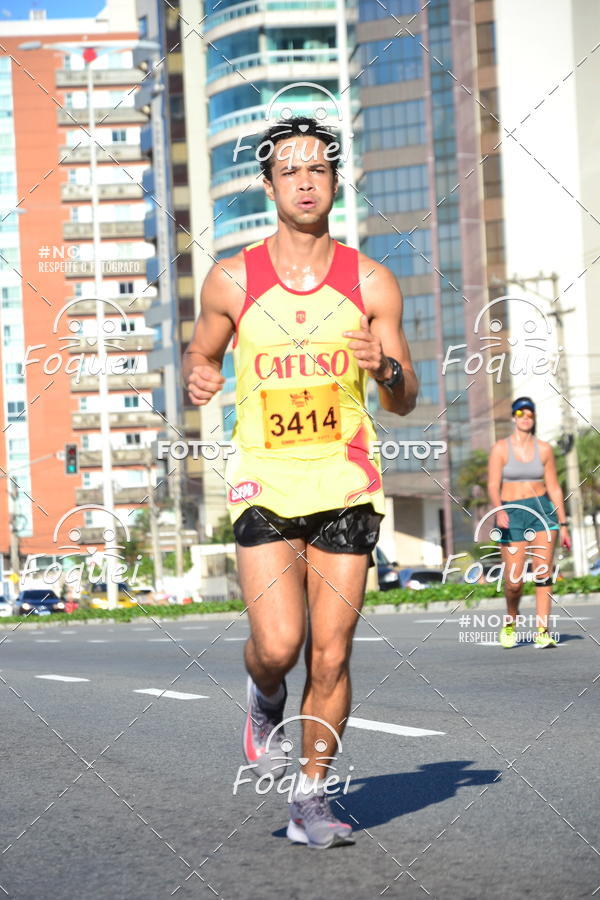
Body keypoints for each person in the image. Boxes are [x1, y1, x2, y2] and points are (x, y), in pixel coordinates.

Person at [183, 116, 417, 848]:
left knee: (333, 651)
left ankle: (310, 798)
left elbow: (405, 395)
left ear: (337, 181)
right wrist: (199, 375)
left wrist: (383, 367)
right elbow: (203, 355)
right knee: (280, 645)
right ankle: (263, 699)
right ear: (269, 183)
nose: (306, 180)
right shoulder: (231, 278)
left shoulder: (372, 280)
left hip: (346, 480)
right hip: (264, 478)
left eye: (318, 168)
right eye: (290, 169)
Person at [487, 397, 571, 648]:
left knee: (543, 572)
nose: (525, 417)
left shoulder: (544, 449)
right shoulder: (500, 449)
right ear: (513, 417)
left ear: (534, 418)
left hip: (542, 512)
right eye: (520, 413)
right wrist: (499, 510)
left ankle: (543, 630)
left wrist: (564, 524)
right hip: (511, 512)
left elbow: (554, 488)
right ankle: (511, 620)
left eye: (530, 414)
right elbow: (493, 484)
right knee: (514, 581)